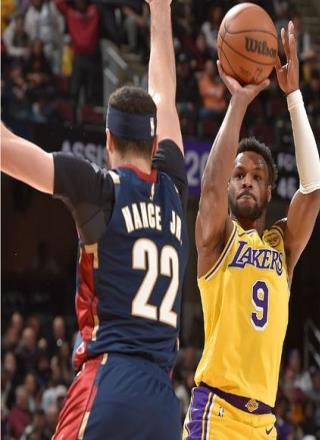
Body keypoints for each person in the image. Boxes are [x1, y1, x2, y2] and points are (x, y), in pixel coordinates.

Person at [1, 0, 188, 438]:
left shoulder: (98, 189)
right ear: (153, 142)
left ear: (107, 140)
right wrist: (161, 10)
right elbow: (164, 95)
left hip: (110, 381)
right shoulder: (175, 187)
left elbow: (6, 150)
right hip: (164, 401)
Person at [183, 20, 320, 439]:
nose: (246, 181)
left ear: (268, 191)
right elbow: (210, 188)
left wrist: (293, 97)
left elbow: (313, 189)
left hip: (263, 423)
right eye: (239, 175)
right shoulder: (217, 239)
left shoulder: (282, 245)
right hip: (216, 413)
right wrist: (239, 102)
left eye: (256, 177)